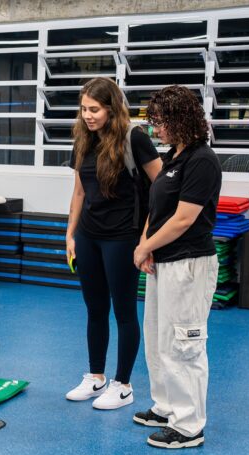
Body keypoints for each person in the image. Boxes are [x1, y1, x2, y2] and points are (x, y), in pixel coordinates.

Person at [64, 77, 162, 410]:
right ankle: (95, 377)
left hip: (122, 236)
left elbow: (161, 188)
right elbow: (79, 191)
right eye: (83, 109)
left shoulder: (135, 138)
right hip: (88, 236)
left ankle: (123, 384)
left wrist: (146, 238)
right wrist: (70, 234)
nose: (87, 116)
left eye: (94, 109)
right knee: (95, 308)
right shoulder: (83, 140)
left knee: (123, 310)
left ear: (111, 108)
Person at [132, 86, 221, 449]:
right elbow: (158, 209)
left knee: (184, 345)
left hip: (189, 265)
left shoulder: (202, 160)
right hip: (162, 262)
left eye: (161, 122)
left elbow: (184, 219)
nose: (156, 130)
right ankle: (167, 406)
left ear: (182, 120)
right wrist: (145, 246)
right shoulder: (173, 157)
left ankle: (188, 426)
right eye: (154, 123)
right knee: (158, 339)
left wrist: (144, 249)